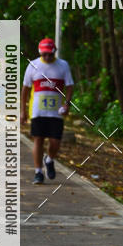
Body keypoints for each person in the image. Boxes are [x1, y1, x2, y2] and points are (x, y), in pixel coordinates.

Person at [21, 38, 74, 184]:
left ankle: (49, 160)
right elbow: (25, 89)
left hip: (56, 112)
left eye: (50, 55)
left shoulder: (63, 66)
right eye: (44, 55)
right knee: (38, 140)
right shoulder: (33, 65)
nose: (47, 57)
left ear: (54, 52)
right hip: (37, 111)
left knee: (55, 143)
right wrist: (23, 111)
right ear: (40, 53)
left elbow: (70, 86)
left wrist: (67, 104)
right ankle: (38, 172)